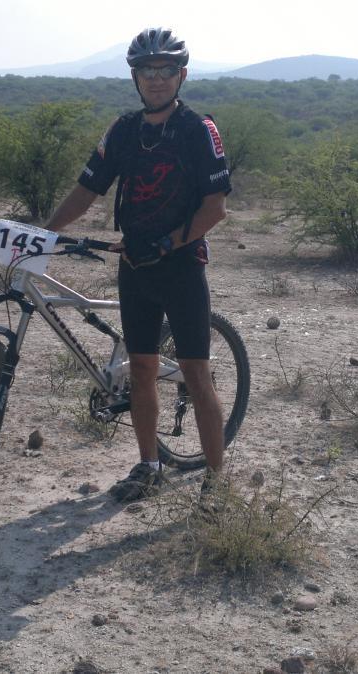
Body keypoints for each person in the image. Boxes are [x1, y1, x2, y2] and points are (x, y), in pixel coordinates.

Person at [45, 27, 232, 503]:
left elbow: (215, 209)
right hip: (135, 267)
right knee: (142, 368)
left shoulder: (198, 130)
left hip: (182, 267)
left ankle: (215, 482)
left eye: (166, 70)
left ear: (181, 74)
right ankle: (150, 466)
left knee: (196, 374)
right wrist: (44, 234)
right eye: (146, 71)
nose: (156, 79)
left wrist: (168, 244)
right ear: (135, 76)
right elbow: (88, 190)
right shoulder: (124, 130)